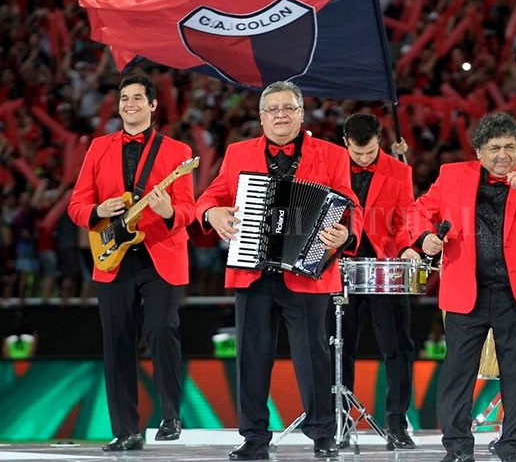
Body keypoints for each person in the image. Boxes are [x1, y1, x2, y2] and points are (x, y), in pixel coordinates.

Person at [195, 81, 363, 461]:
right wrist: (211, 213)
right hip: (252, 272)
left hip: (307, 271)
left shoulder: (333, 155)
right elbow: (209, 197)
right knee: (251, 357)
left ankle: (323, 434)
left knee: (313, 356)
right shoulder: (238, 152)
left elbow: (350, 205)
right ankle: (254, 437)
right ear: (261, 117)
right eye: (273, 109)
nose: (280, 115)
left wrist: (346, 232)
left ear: (302, 114)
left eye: (288, 108)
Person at [408, 112, 516, 462]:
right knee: (457, 375)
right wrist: (424, 238)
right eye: (495, 148)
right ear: (479, 152)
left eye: (510, 147)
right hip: (466, 290)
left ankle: (512, 447)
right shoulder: (452, 175)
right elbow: (418, 211)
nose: (503, 155)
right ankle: (457, 448)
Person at [68, 74, 194, 451]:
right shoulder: (98, 148)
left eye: (138, 98)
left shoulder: (177, 150)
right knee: (117, 341)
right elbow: (76, 205)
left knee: (161, 329)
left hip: (161, 253)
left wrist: (170, 211)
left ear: (153, 105)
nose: (130, 104)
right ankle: (126, 430)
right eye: (125, 98)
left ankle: (170, 415)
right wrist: (97, 210)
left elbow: (188, 209)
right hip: (113, 256)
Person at [339, 113, 419, 449]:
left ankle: (397, 425)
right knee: (338, 347)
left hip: (386, 267)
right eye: (357, 153)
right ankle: (340, 423)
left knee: (397, 347)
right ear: (345, 142)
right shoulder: (330, 166)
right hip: (340, 266)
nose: (363, 158)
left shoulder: (400, 172)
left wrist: (408, 247)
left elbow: (404, 220)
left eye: (370, 152)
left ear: (380, 142)